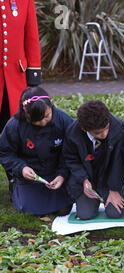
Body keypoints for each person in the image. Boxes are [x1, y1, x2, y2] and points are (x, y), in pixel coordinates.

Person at [0, 87, 73, 216]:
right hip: (30, 176)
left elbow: (71, 152)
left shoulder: (64, 121)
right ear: (25, 113)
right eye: (36, 121)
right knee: (31, 210)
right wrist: (21, 168)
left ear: (51, 103)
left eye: (46, 116)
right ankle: (15, 187)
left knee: (64, 209)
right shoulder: (14, 125)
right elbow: (4, 152)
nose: (43, 123)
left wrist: (62, 174)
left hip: (56, 174)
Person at [62, 100, 124, 220]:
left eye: (107, 128)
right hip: (87, 179)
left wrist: (114, 189)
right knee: (85, 215)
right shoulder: (72, 133)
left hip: (108, 179)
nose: (105, 134)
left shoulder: (118, 128)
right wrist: (83, 180)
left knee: (114, 213)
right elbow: (71, 159)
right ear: (84, 129)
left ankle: (109, 193)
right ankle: (90, 198)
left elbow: (119, 162)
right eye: (98, 133)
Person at [0, 0, 42, 133]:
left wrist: (34, 72)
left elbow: (32, 36)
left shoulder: (25, 1)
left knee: (15, 123)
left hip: (16, 76)